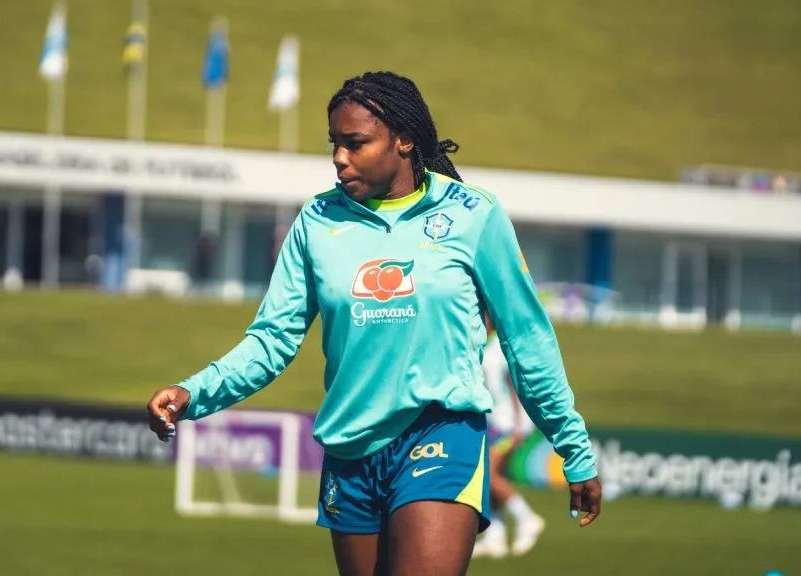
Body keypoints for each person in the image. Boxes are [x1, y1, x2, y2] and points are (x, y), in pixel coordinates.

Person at [147, 71, 601, 576]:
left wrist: (573, 449)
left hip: (442, 431)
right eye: (334, 144)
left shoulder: (473, 215)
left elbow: (526, 338)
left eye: (355, 143)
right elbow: (272, 340)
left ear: (403, 140)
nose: (339, 157)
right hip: (350, 451)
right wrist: (194, 392)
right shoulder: (316, 221)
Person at [472, 312, 546, 559]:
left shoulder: (500, 349)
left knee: (488, 475)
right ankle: (496, 537)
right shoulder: (485, 345)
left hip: (508, 424)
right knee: (491, 478)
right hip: (494, 421)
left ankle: (527, 518)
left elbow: (517, 387)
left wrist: (518, 426)